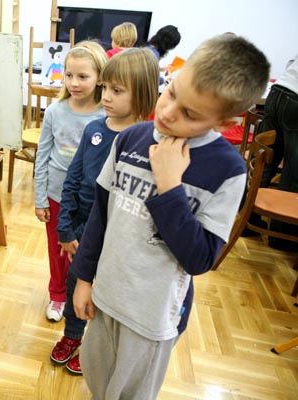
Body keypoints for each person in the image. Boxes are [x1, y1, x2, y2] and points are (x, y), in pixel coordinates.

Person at [71, 33, 269, 398]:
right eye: (172, 92)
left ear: (224, 122)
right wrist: (83, 278)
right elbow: (100, 214)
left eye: (190, 113)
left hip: (151, 318)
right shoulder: (130, 138)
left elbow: (199, 258)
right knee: (97, 383)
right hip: (106, 296)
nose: (166, 112)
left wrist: (170, 188)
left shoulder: (227, 170)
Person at [51, 48, 160, 376]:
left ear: (142, 93)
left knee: (106, 294)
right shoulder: (94, 130)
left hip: (120, 234)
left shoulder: (150, 141)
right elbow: (72, 179)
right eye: (105, 87)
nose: (106, 97)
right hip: (82, 228)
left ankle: (94, 347)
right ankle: (72, 335)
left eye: (117, 90)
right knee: (76, 283)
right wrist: (65, 228)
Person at [34, 41, 108, 323]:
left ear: (99, 77)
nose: (74, 83)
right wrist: (40, 198)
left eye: (83, 76)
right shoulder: (55, 111)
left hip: (90, 200)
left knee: (86, 249)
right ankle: (57, 294)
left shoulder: (106, 116)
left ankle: (82, 291)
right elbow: (42, 156)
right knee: (57, 250)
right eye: (69, 75)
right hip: (56, 195)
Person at [255, 53, 298, 251]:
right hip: (295, 100)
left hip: (278, 90)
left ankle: (249, 218)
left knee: (266, 159)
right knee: (293, 170)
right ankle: (281, 235)